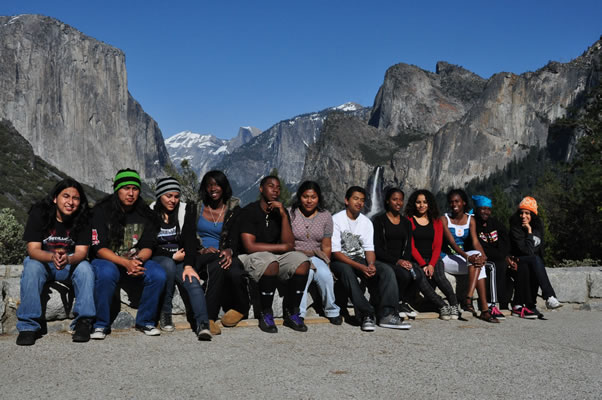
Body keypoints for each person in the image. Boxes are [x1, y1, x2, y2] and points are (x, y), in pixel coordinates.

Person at [16, 179, 95, 345]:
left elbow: (81, 252)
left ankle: (83, 322)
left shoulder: (84, 217)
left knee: (86, 269)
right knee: (31, 266)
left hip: (70, 263)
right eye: (66, 196)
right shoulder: (39, 213)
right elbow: (33, 249)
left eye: (76, 198)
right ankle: (28, 327)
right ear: (55, 198)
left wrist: (68, 259)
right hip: (44, 262)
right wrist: (52, 257)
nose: (70, 202)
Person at [90, 169, 167, 339]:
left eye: (135, 188)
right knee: (106, 273)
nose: (131, 193)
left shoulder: (145, 214)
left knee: (158, 274)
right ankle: (100, 324)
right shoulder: (101, 211)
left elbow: (148, 246)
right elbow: (99, 248)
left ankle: (146, 321)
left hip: (134, 260)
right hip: (107, 259)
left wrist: (138, 261)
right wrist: (125, 263)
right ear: (117, 189)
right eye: (126, 188)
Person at [238, 175, 310, 333]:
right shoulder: (249, 211)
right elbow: (249, 246)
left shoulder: (280, 213)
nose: (275, 190)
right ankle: (266, 313)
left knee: (303, 262)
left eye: (278, 187)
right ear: (261, 189)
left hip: (274, 257)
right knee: (270, 262)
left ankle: (292, 312)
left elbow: (289, 245)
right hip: (250, 256)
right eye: (271, 186)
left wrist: (284, 215)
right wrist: (281, 247)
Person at [331, 186, 409, 331]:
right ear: (346, 200)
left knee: (386, 270)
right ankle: (367, 313)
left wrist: (371, 264)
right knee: (347, 272)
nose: (359, 203)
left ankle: (388, 314)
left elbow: (369, 249)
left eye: (362, 200)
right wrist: (361, 267)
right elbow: (336, 252)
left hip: (361, 259)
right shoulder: (336, 220)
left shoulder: (366, 222)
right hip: (341, 260)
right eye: (356, 199)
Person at [150, 176, 211, 340]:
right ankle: (165, 312)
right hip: (159, 258)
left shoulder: (185, 211)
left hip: (182, 257)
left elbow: (190, 240)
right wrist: (171, 255)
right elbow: (150, 244)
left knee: (192, 281)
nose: (173, 200)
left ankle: (203, 324)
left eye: (176, 196)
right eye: (168, 196)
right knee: (168, 265)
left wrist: (189, 265)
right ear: (160, 195)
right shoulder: (150, 212)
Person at [193, 170, 249, 335]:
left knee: (236, 272)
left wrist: (230, 251)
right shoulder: (196, 208)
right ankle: (208, 317)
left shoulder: (234, 210)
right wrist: (201, 248)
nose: (213, 188)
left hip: (225, 254)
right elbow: (188, 234)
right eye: (209, 185)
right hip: (201, 255)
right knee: (217, 265)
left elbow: (237, 237)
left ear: (224, 187)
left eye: (217, 184)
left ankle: (240, 308)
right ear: (205, 188)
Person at [440, 189, 499, 323]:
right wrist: (468, 257)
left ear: (464, 203)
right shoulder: (444, 219)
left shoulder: (470, 220)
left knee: (478, 260)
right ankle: (482, 309)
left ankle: (470, 298)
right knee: (475, 262)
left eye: (457, 201)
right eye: (451, 202)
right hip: (447, 258)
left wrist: (483, 256)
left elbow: (475, 241)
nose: (454, 204)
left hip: (463, 258)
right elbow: (452, 243)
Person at [288, 181, 342, 324]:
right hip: (295, 254)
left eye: (313, 197)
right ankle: (298, 313)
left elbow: (326, 245)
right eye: (305, 197)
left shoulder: (325, 216)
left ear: (318, 198)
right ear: (300, 197)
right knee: (307, 273)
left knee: (325, 275)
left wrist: (326, 264)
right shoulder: (290, 214)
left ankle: (332, 310)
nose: (309, 201)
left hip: (316, 254)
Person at [405, 189, 459, 320]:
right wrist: (423, 264)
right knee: (422, 280)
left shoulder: (436, 221)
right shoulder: (409, 220)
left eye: (425, 202)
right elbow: (411, 246)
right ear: (414, 204)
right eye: (418, 202)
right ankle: (442, 305)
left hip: (434, 258)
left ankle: (454, 304)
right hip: (416, 260)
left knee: (440, 278)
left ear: (430, 204)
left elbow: (437, 245)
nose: (421, 205)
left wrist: (431, 264)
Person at [509, 196, 562, 319]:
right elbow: (526, 251)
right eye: (521, 213)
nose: (523, 216)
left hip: (530, 261)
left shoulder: (538, 228)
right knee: (534, 259)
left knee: (535, 261)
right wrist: (529, 232)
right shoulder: (515, 228)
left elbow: (538, 249)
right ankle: (549, 296)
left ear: (533, 215)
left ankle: (530, 305)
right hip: (517, 260)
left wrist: (531, 232)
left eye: (527, 213)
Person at [472, 195, 512, 313]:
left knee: (506, 268)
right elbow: (480, 246)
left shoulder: (496, 224)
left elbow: (505, 242)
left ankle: (506, 302)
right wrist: (499, 255)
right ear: (477, 209)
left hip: (498, 257)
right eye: (483, 209)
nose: (486, 212)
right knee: (494, 267)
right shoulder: (473, 224)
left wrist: (506, 255)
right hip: (485, 258)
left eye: (488, 209)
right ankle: (491, 304)